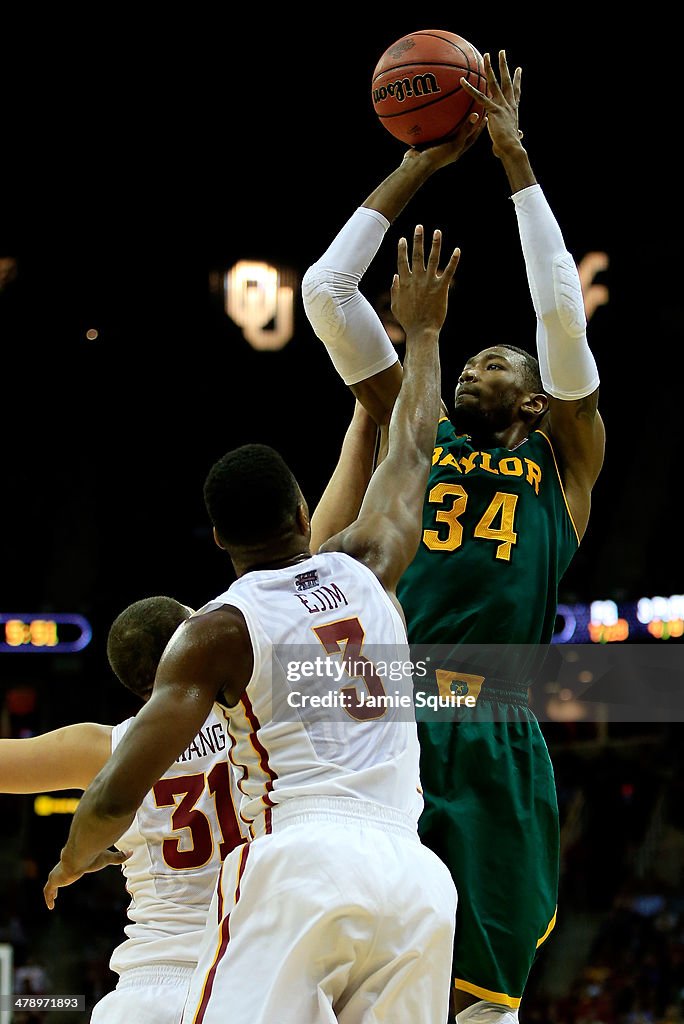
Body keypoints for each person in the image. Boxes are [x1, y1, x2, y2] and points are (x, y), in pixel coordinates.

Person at [43, 227, 461, 1024]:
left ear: (221, 543)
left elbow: (114, 793)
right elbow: (412, 446)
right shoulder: (370, 559)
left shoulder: (216, 632)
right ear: (305, 512)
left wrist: (72, 859)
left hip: (304, 861)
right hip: (416, 877)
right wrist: (427, 332)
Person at [302, 50, 606, 1024]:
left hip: (498, 724)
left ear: (534, 398)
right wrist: (422, 166)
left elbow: (561, 314)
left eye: (501, 360)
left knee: (482, 1005)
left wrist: (517, 163)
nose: (478, 358)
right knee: (358, 991)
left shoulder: (565, 464)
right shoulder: (413, 426)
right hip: (390, 711)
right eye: (468, 352)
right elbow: (326, 291)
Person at [0, 595, 247, 1024]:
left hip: (149, 984)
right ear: (198, 641)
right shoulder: (259, 720)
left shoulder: (103, 748)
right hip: (253, 977)